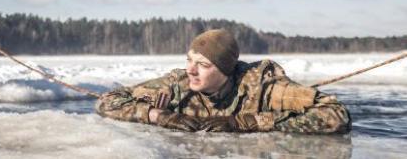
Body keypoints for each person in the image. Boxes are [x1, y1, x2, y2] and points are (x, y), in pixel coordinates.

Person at [95, 29, 351, 134]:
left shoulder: (263, 87)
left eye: (203, 65)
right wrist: (155, 115)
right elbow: (108, 101)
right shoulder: (178, 84)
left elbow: (337, 115)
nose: (191, 70)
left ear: (226, 70)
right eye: (189, 60)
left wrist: (248, 121)